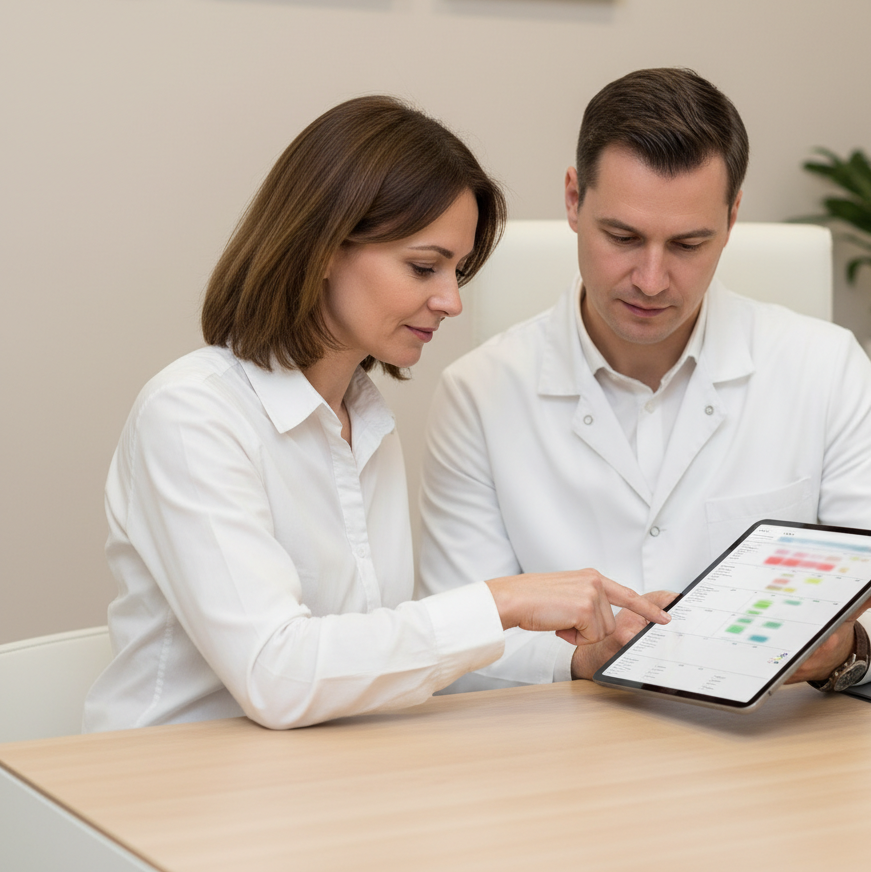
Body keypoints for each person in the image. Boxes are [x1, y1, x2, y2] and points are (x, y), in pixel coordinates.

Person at [83, 97, 670, 733]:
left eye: (457, 270)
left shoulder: (364, 419)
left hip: (308, 777)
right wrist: (502, 600)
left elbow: (371, 648)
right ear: (325, 247)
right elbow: (277, 676)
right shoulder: (193, 415)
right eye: (424, 267)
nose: (450, 301)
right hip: (161, 787)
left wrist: (581, 653)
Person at [418, 68, 871, 694]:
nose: (651, 280)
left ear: (733, 217)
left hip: (770, 754)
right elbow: (452, 639)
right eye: (623, 237)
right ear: (574, 200)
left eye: (688, 244)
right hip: (567, 761)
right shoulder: (478, 392)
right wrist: (579, 658)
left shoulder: (822, 366)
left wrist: (848, 646)